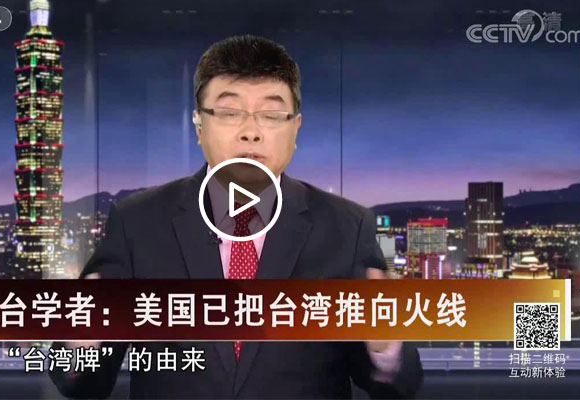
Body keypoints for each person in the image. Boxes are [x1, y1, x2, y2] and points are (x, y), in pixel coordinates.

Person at [49, 34, 423, 399]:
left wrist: (386, 349)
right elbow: (81, 385)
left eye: (272, 115)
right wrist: (82, 343)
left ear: (295, 128)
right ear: (199, 126)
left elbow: (397, 385)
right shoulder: (138, 222)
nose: (251, 133)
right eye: (229, 113)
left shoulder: (347, 228)